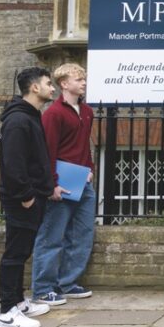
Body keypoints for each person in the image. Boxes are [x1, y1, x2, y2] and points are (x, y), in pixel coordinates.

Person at [0, 67, 59, 327]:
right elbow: (13, 164)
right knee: (14, 254)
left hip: (31, 196)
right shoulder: (19, 121)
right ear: (34, 87)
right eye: (48, 83)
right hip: (22, 198)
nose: (52, 88)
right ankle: (6, 312)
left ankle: (18, 302)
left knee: (22, 253)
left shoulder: (29, 117)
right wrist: (26, 196)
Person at [31, 63, 97, 306]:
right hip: (61, 183)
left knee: (82, 234)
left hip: (83, 182)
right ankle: (42, 289)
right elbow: (47, 151)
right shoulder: (53, 114)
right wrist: (52, 185)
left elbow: (85, 146)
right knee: (52, 236)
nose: (83, 83)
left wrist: (90, 169)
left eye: (84, 79)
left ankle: (67, 283)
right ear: (64, 84)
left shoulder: (87, 111)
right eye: (78, 79)